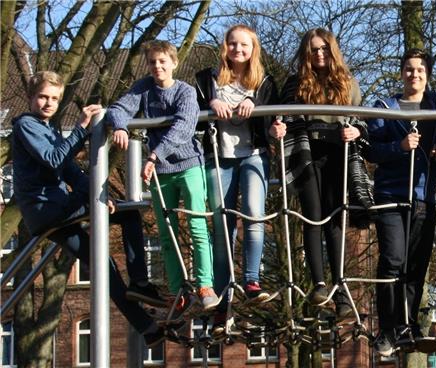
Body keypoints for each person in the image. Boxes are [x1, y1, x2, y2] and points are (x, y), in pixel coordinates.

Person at [12, 71, 166, 346]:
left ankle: (148, 328)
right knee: (130, 215)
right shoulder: (26, 125)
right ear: (30, 97)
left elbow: (71, 171)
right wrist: (82, 127)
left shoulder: (48, 129)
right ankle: (140, 283)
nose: (48, 103)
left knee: (103, 264)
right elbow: (53, 159)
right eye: (43, 97)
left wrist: (99, 195)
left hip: (54, 210)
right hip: (47, 208)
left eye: (54, 99)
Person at [107, 40, 219, 312]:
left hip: (188, 165)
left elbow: (183, 126)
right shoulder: (144, 88)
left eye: (162, 61)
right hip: (161, 171)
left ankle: (205, 285)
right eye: (152, 62)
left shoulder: (185, 91)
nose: (157, 66)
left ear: (174, 63)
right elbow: (118, 108)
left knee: (197, 225)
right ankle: (178, 289)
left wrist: (154, 155)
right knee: (166, 232)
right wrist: (120, 126)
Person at [194, 24, 286, 331]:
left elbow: (275, 118)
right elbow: (192, 113)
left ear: (253, 49)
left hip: (254, 154)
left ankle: (251, 281)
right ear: (225, 46)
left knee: (254, 214)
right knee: (222, 225)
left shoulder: (264, 82)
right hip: (219, 156)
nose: (238, 49)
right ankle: (223, 299)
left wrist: (256, 105)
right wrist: (211, 104)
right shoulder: (206, 80)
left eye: (244, 45)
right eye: (233, 44)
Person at [366, 48, 436, 356]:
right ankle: (387, 329)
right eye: (409, 69)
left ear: (427, 75)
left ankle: (409, 325)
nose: (415, 74)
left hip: (423, 195)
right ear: (402, 73)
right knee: (393, 259)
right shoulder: (385, 108)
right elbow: (371, 150)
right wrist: (399, 147)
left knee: (416, 265)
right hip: (390, 194)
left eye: (420, 70)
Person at [279, 28, 365, 319]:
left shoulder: (347, 83)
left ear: (332, 50)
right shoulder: (295, 83)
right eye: (313, 49)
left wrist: (356, 131)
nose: (319, 54)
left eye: (324, 48)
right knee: (312, 215)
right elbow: (283, 118)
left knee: (335, 218)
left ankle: (341, 289)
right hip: (306, 151)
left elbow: (360, 119)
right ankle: (318, 283)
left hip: (337, 151)